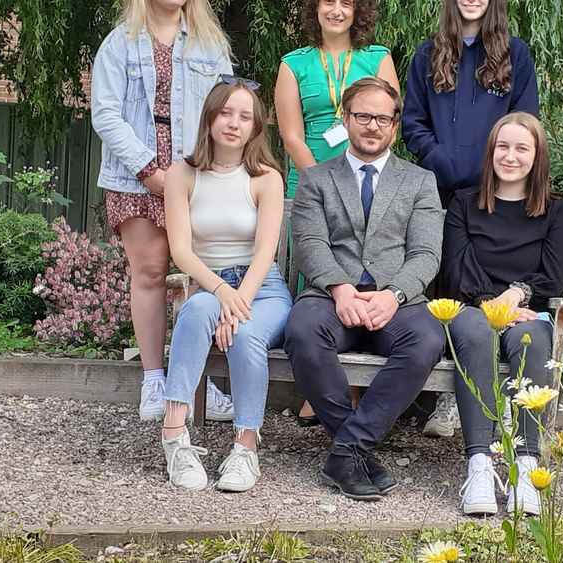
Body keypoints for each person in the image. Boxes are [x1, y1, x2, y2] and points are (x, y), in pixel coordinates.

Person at [284, 77, 446, 501]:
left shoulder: (419, 182)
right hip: (331, 297)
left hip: (396, 301)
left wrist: (393, 295)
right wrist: (340, 288)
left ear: (395, 125)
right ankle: (354, 449)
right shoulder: (317, 179)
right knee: (301, 331)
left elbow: (426, 254)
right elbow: (310, 245)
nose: (372, 126)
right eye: (362, 116)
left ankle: (346, 449)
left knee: (428, 338)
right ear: (346, 119)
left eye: (382, 118)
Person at [91, 0, 235, 422]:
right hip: (134, 177)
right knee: (150, 274)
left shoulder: (210, 45)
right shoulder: (119, 43)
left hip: (196, 177)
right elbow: (105, 114)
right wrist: (150, 171)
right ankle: (154, 380)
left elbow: (226, 108)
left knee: (200, 278)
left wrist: (208, 171)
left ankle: (194, 380)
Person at [401, 0, 539, 439]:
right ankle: (438, 397)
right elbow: (412, 121)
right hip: (439, 187)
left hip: (493, 190)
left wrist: (491, 168)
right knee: (445, 283)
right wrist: (440, 159)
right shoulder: (428, 53)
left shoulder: (514, 54)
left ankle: (484, 395)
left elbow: (525, 121)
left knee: (483, 277)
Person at [160, 79, 292, 491]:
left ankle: (245, 449)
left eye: (244, 116)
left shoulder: (266, 178)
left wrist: (239, 304)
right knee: (196, 311)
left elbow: (265, 253)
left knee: (247, 334)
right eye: (225, 113)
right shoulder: (182, 175)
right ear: (210, 118)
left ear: (256, 126)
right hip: (209, 285)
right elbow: (181, 251)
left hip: (262, 288)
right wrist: (220, 293)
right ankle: (174, 437)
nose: (233, 123)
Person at [275, 0, 400, 427]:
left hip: (366, 181)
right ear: (315, 9)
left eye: (346, 2)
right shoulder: (294, 64)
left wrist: (351, 183)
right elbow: (291, 134)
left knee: (361, 270)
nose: (336, 9)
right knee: (316, 278)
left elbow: (388, 123)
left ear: (357, 11)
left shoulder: (377, 58)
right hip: (310, 184)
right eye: (328, 1)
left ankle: (353, 386)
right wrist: (322, 184)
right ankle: (316, 385)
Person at [442, 112, 563, 515]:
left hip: (526, 309)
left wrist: (516, 296)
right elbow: (456, 265)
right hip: (471, 306)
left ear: (537, 156)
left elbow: (554, 275)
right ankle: (479, 464)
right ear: (490, 151)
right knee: (478, 334)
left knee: (532, 340)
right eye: (503, 146)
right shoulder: (464, 202)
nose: (510, 156)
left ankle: (525, 464)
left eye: (521, 148)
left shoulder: (554, 209)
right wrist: (490, 305)